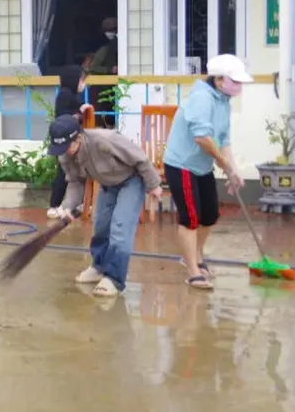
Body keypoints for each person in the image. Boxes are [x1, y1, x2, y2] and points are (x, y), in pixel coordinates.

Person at [46, 114, 164, 297]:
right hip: (107, 183)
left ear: (78, 137)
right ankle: (99, 266)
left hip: (131, 181)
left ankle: (114, 279)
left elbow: (140, 159)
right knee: (100, 226)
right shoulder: (65, 155)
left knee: (120, 228)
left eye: (67, 145)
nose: (64, 151)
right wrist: (67, 207)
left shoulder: (105, 140)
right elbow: (75, 182)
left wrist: (153, 185)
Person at [162, 53, 250, 291]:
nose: (238, 86)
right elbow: (202, 137)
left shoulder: (223, 100)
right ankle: (192, 271)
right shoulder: (202, 97)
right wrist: (223, 163)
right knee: (190, 218)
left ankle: (196, 256)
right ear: (219, 80)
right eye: (235, 81)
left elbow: (223, 139)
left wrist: (233, 169)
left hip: (201, 166)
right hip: (181, 164)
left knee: (210, 215)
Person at [47, 65, 91, 218]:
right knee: (64, 173)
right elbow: (64, 115)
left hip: (72, 141)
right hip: (65, 141)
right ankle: (55, 205)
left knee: (72, 174)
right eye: (81, 80)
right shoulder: (65, 96)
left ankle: (69, 204)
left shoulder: (70, 95)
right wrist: (80, 112)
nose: (83, 84)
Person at [87, 17, 118, 128]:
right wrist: (110, 70)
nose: (112, 33)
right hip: (100, 88)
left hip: (112, 87)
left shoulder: (115, 46)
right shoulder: (104, 49)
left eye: (114, 29)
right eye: (110, 30)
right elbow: (93, 67)